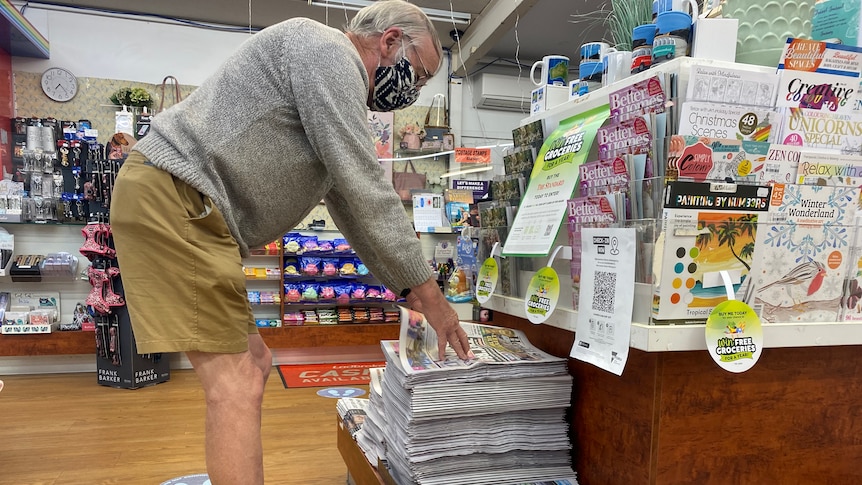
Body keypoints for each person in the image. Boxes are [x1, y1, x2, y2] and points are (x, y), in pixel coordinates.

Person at [109, 1, 474, 484]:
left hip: (187, 205)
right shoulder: (325, 51)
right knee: (235, 381)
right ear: (389, 42)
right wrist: (430, 295)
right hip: (176, 199)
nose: (415, 89)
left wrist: (406, 290)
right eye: (420, 73)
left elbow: (352, 207)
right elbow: (367, 188)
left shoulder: (331, 80)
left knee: (254, 363)